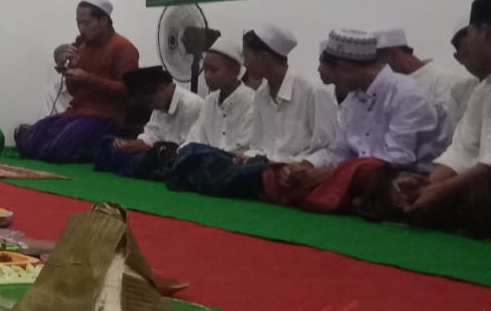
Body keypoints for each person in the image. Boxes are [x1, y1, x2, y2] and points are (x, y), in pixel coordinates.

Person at [267, 30, 451, 213]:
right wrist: (307, 165)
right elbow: (339, 150)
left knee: (367, 170)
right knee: (277, 173)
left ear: (343, 68)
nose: (333, 84)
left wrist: (332, 174)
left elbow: (397, 159)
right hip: (353, 175)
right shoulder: (353, 98)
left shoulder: (407, 95)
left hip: (400, 177)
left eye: (334, 76)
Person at [166, 23, 337, 197]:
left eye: (246, 56)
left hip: (292, 172)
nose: (244, 63)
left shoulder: (314, 91)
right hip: (262, 169)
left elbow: (329, 150)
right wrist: (248, 157)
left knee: (201, 161)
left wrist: (301, 165)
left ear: (263, 57)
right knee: (195, 153)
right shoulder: (261, 94)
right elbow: (258, 146)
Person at [396, 0, 491, 240]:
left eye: (469, 35)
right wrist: (429, 185)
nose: (467, 46)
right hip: (482, 184)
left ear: (485, 33)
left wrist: (445, 189)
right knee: (393, 182)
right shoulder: (485, 89)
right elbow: (462, 149)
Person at [16, 0, 140, 162]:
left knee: (57, 149)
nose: (81, 28)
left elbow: (129, 91)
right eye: (78, 23)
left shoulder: (124, 48)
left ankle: (100, 146)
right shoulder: (83, 47)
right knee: (26, 138)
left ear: (104, 21)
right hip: (77, 113)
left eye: (86, 23)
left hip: (106, 118)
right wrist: (71, 68)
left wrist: (88, 78)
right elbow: (75, 92)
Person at [93, 66, 204, 178]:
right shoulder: (161, 103)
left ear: (161, 89)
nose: (150, 106)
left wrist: (147, 148)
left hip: (177, 158)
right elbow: (151, 133)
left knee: (142, 162)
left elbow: (186, 148)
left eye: (150, 102)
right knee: (106, 142)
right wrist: (133, 144)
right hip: (155, 153)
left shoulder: (191, 105)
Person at [374, 27, 477, 129]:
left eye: (377, 60)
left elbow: (450, 124)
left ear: (392, 53)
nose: (375, 67)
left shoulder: (442, 77)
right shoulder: (390, 86)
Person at [181, 37, 255, 154]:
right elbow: (195, 137)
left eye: (213, 70)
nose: (207, 75)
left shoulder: (252, 102)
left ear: (235, 71)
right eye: (205, 69)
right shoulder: (209, 101)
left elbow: (243, 147)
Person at [43, 43, 74, 117]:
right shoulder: (53, 93)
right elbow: (45, 119)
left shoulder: (92, 87)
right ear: (59, 69)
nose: (68, 68)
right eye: (63, 64)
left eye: (70, 62)